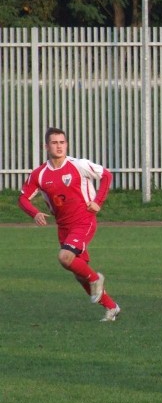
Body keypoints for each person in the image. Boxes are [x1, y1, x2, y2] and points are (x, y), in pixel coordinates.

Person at [18, 127, 121, 321]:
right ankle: (111, 307)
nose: (59, 146)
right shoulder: (39, 174)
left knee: (65, 257)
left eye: (62, 142)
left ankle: (96, 279)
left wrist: (98, 202)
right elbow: (23, 198)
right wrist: (34, 213)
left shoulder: (78, 165)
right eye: (54, 143)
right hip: (63, 226)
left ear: (67, 144)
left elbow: (106, 175)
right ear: (46, 146)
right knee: (79, 273)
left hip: (84, 220)